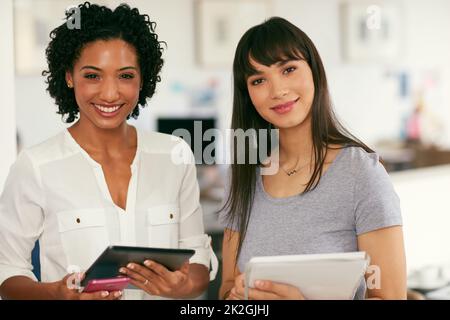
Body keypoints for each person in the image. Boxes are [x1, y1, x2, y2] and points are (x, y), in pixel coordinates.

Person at [0, 2, 217, 300]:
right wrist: (57, 294)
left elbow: (199, 262)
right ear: (69, 76)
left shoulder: (175, 155)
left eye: (125, 76)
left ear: (143, 79)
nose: (110, 93)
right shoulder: (36, 166)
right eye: (93, 76)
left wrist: (184, 285)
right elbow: (7, 272)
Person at [218, 17, 406, 300]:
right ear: (248, 96)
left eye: (288, 69)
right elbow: (226, 288)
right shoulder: (242, 175)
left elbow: (390, 297)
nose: (277, 90)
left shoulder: (360, 174)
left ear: (315, 71)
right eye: (258, 80)